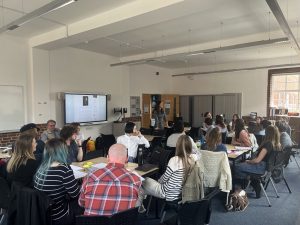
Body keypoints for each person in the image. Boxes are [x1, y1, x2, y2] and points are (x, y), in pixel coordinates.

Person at [78, 144, 142, 215]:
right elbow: (135, 205)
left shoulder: (90, 176)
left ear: (107, 158)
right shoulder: (136, 180)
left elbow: (81, 203)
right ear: (127, 159)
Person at [34, 138, 81, 225]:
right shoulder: (64, 169)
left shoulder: (42, 167)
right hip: (59, 215)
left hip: (43, 214)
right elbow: (76, 194)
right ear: (62, 152)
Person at [142, 135, 197, 202]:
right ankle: (143, 202)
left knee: (142, 180)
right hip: (183, 194)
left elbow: (165, 178)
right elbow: (197, 150)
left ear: (178, 146)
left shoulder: (175, 160)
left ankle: (140, 206)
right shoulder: (194, 158)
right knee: (144, 187)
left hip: (168, 193)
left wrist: (158, 182)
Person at [235, 125, 281, 198]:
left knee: (236, 166)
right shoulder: (276, 144)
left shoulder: (268, 144)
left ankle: (251, 183)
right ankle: (253, 181)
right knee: (242, 167)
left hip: (260, 167)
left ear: (268, 133)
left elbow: (257, 160)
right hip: (267, 168)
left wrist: (248, 161)